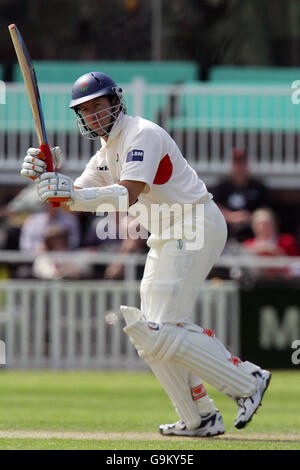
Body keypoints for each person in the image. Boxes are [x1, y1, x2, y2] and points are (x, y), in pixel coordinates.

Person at [20, 71, 271, 437]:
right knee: (148, 334)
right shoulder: (105, 154)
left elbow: (128, 193)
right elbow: (70, 198)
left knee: (162, 329)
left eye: (98, 106)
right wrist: (47, 177)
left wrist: (70, 194)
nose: (93, 115)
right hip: (167, 234)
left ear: (115, 102)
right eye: (85, 111)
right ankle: (199, 416)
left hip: (194, 223)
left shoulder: (142, 135)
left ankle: (248, 379)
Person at [213, 148, 268, 242]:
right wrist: (231, 216)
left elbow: (264, 210)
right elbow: (213, 206)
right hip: (226, 234)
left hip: (252, 233)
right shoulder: (222, 187)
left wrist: (249, 216)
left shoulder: (258, 187)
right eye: (237, 164)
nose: (240, 167)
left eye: (243, 163)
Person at [242, 208, 300, 279]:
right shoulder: (248, 244)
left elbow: (296, 268)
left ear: (274, 224)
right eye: (259, 224)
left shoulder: (287, 241)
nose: (263, 227)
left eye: (267, 224)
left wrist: (275, 251)